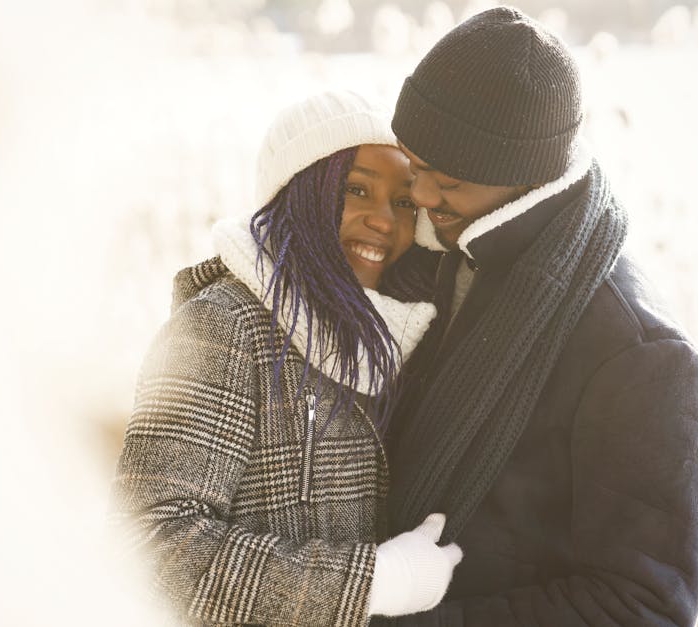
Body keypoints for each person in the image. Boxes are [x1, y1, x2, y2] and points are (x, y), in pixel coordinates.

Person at [377, 7, 698, 626]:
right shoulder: (428, 254)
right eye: (413, 166)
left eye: (446, 181)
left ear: (524, 175)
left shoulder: (638, 354)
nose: (421, 197)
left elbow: (641, 607)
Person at [111, 90, 463, 626]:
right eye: (356, 190)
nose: (383, 221)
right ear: (299, 194)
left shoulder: (391, 336)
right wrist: (372, 582)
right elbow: (151, 541)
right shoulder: (225, 327)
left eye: (403, 202)